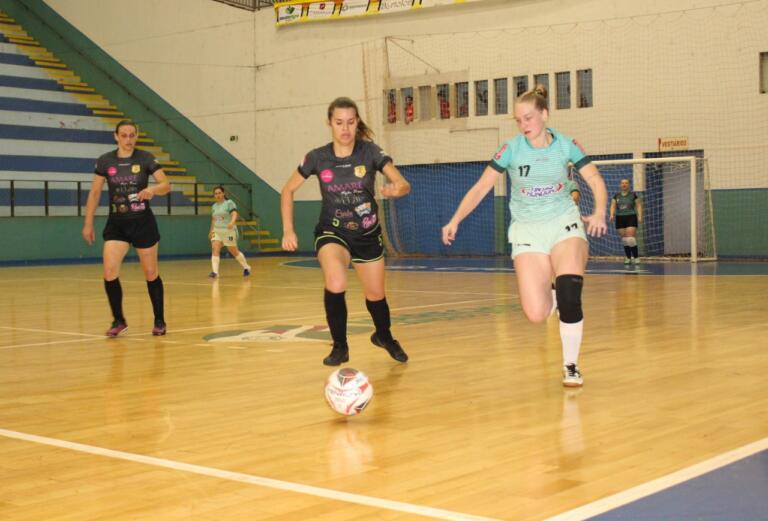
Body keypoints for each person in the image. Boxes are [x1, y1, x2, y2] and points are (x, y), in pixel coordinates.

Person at [442, 85, 608, 387]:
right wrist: (455, 219)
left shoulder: (566, 145)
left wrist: (598, 211)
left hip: (563, 223)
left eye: (529, 118)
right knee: (536, 313)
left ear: (544, 115)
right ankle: (553, 295)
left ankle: (571, 364)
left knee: (571, 292)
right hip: (527, 229)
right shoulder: (511, 150)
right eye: (518, 120)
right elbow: (481, 187)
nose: (524, 125)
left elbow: (594, 178)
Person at [281, 96, 411, 366]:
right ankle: (340, 346)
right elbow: (288, 190)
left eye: (351, 122)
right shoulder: (317, 157)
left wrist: (398, 188)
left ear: (357, 123)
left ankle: (384, 336)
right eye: (339, 122)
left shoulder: (370, 152)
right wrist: (288, 230)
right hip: (333, 231)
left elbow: (402, 182)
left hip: (366, 233)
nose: (345, 128)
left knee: (375, 295)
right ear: (329, 123)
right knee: (336, 281)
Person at [82, 119, 171, 337]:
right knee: (109, 271)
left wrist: (153, 190)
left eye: (132, 135)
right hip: (117, 223)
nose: (128, 139)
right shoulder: (105, 161)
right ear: (116, 136)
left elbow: (166, 185)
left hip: (143, 222)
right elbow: (94, 193)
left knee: (151, 273)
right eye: (124, 135)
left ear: (136, 136)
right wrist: (88, 222)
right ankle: (119, 320)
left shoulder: (146, 158)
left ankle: (159, 320)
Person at [208, 185, 251, 278]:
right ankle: (215, 272)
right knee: (215, 247)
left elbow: (234, 213)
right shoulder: (214, 206)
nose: (218, 195)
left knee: (233, 250)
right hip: (217, 231)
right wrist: (211, 231)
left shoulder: (229, 203)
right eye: (215, 194)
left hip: (228, 231)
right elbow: (214, 219)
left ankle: (246, 267)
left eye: (219, 193)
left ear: (223, 193)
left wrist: (232, 222)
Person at [609, 178, 643, 264]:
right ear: (620, 185)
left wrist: (640, 216)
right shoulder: (616, 196)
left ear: (628, 185)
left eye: (626, 183)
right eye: (622, 183)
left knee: (631, 239)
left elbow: (638, 205)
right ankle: (628, 257)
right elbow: (613, 206)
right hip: (620, 218)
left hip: (631, 216)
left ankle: (636, 257)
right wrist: (612, 215)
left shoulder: (633, 195)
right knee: (624, 239)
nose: (624, 184)